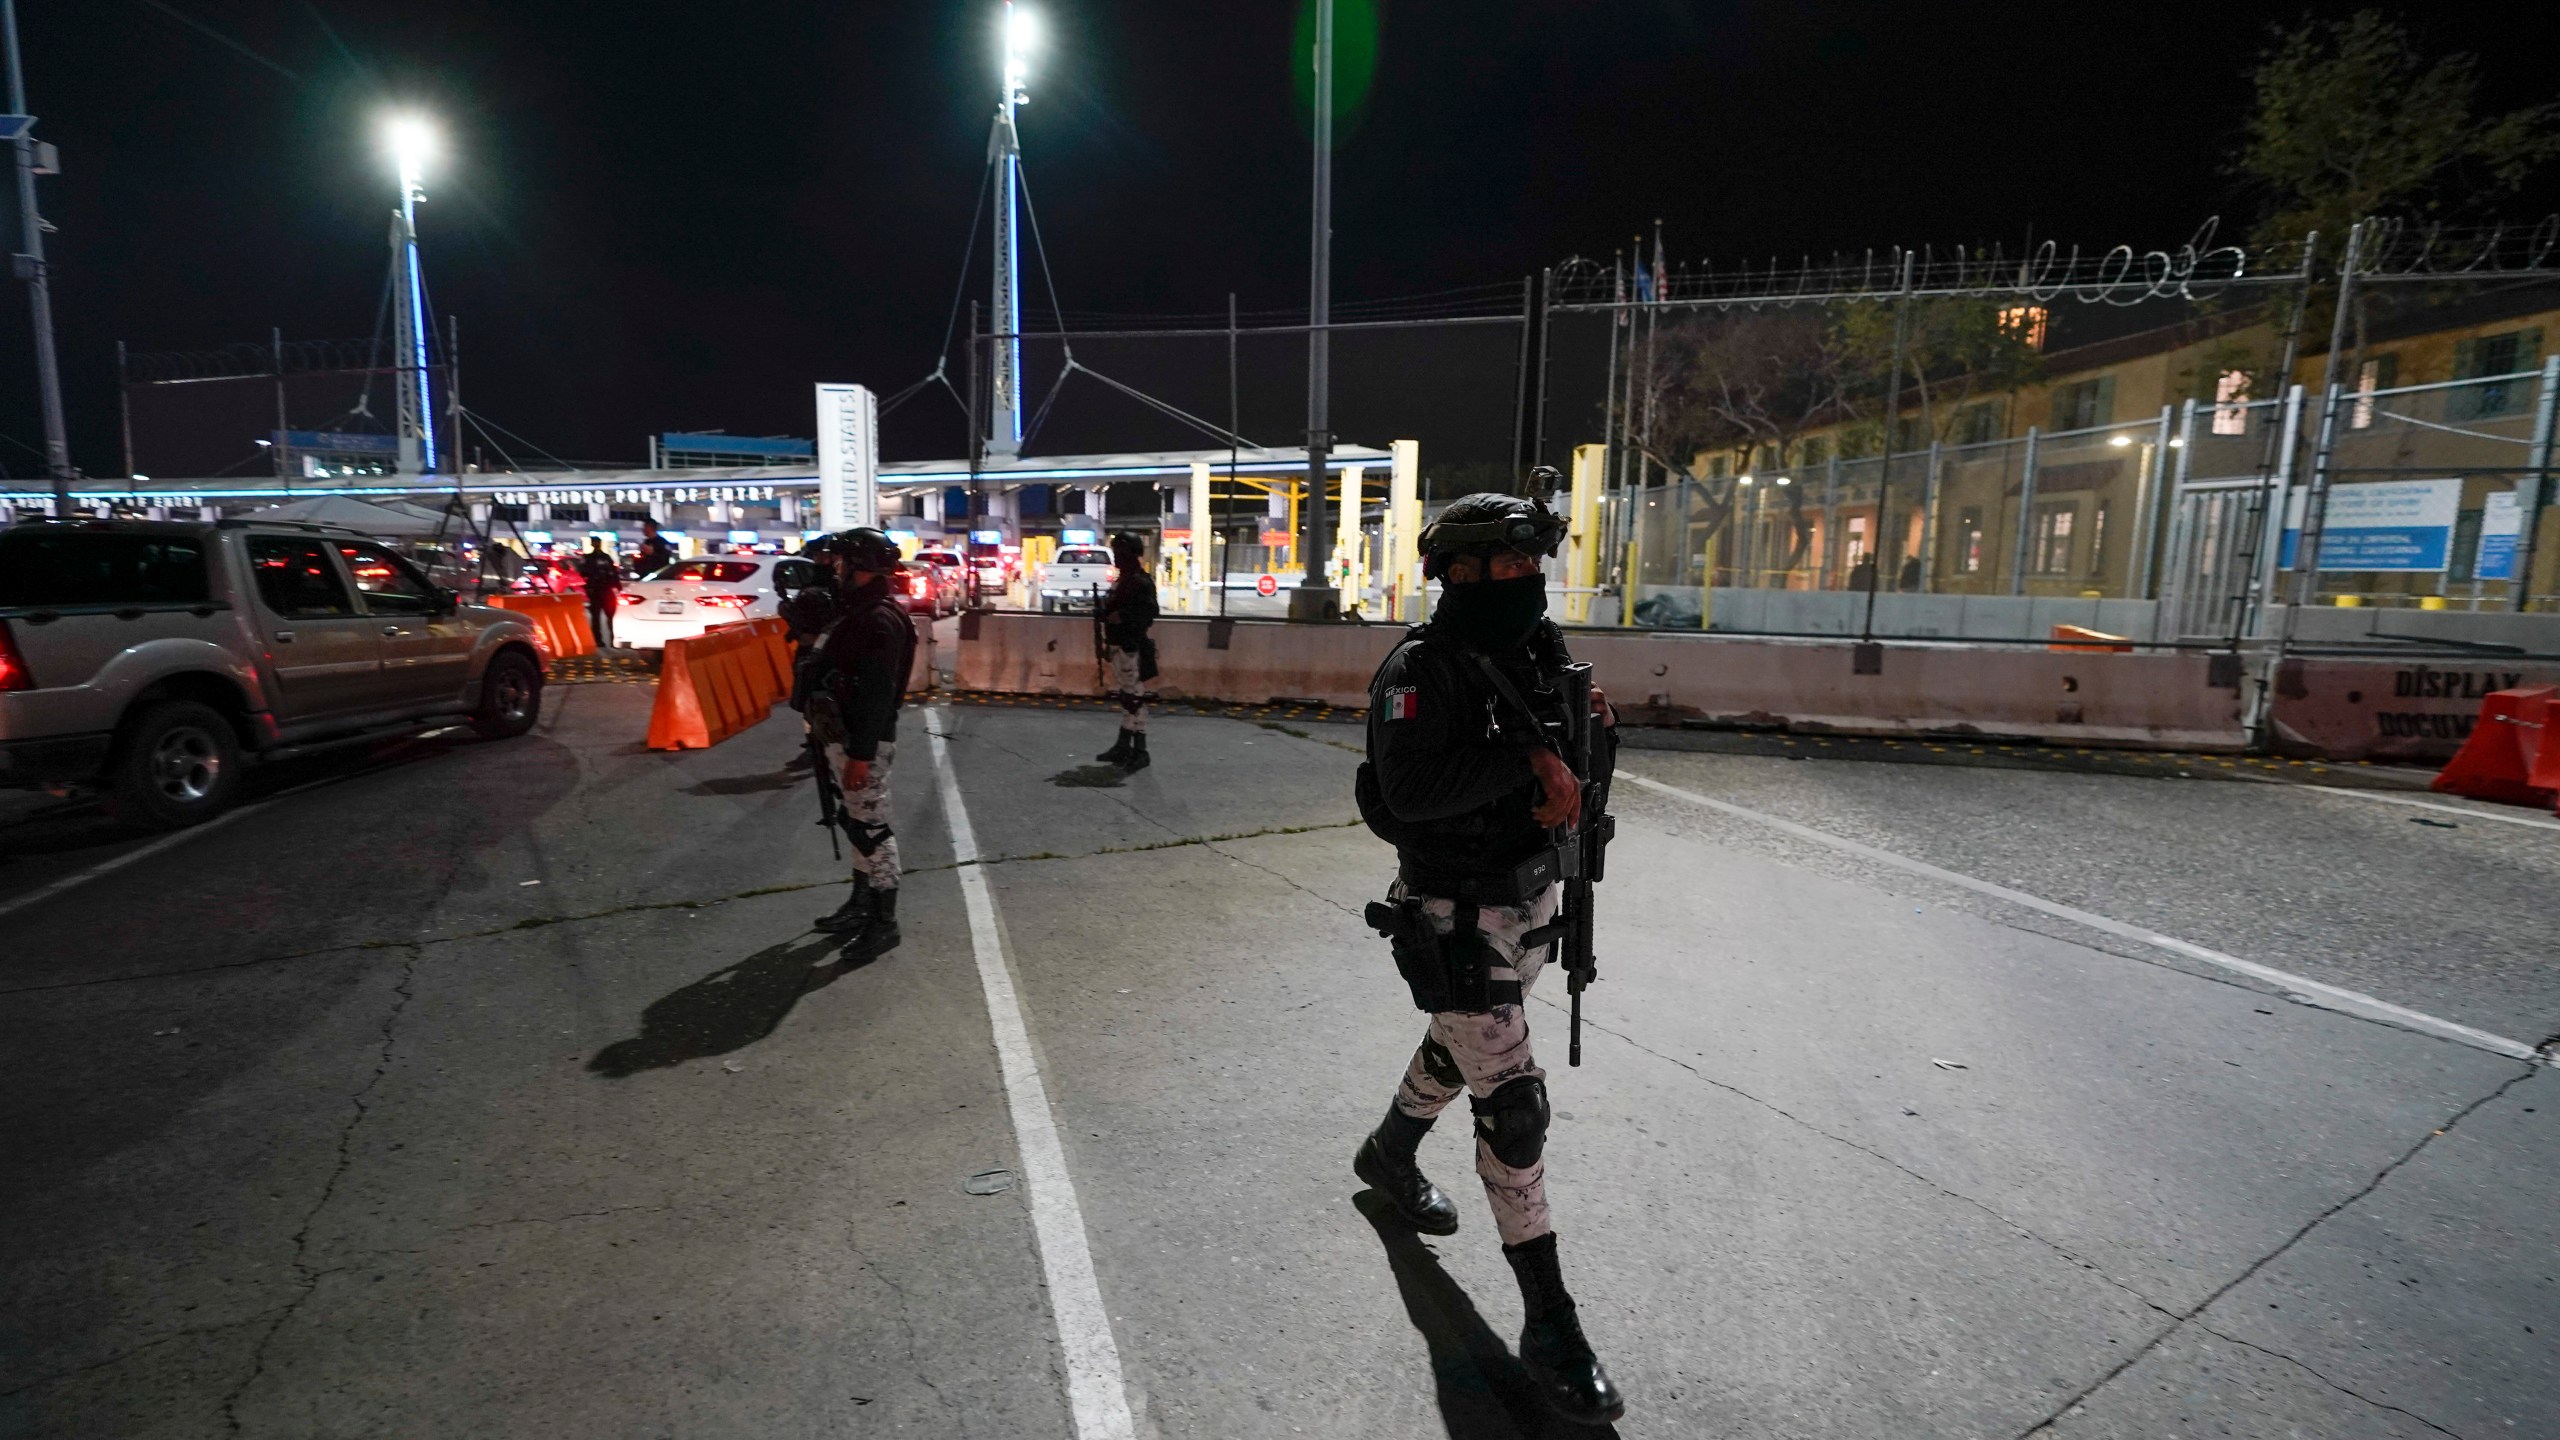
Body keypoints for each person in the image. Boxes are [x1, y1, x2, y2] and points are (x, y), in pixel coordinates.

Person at [1353, 488, 1626, 1427]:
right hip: (1454, 910)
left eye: (1533, 563)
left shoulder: (1538, 651)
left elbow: (1579, 781)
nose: (1529, 579)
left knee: (1463, 1048)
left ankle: (1390, 1152)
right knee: (1513, 1107)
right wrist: (1526, 762)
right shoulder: (1418, 669)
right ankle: (1551, 1325)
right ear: (1461, 573)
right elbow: (1408, 790)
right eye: (1512, 563)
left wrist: (1593, 734)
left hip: (1533, 896)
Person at [808, 527, 917, 955]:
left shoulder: (878, 620)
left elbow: (877, 696)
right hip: (847, 736)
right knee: (855, 822)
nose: (836, 569)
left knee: (871, 829)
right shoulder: (859, 612)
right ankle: (861, 903)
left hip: (863, 742)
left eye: (842, 562)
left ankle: (884, 921)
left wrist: (860, 755)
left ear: (861, 566)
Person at [1093, 530, 1160, 770]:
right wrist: (1103, 611)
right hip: (1118, 644)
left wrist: (1120, 616)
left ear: (1132, 553)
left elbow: (1149, 612)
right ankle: (1123, 745)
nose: (1117, 556)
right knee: (1127, 696)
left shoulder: (1140, 581)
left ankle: (1140, 750)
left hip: (1131, 646)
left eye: (1121, 552)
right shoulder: (1123, 580)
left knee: (1134, 697)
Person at [575, 537, 623, 649]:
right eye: (595, 543)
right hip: (595, 590)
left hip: (606, 590)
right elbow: (583, 572)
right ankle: (598, 640)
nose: (597, 545)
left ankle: (612, 640)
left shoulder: (606, 557)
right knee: (596, 617)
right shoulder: (588, 558)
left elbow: (613, 573)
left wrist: (617, 586)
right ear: (592, 544)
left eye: (598, 543)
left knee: (610, 616)